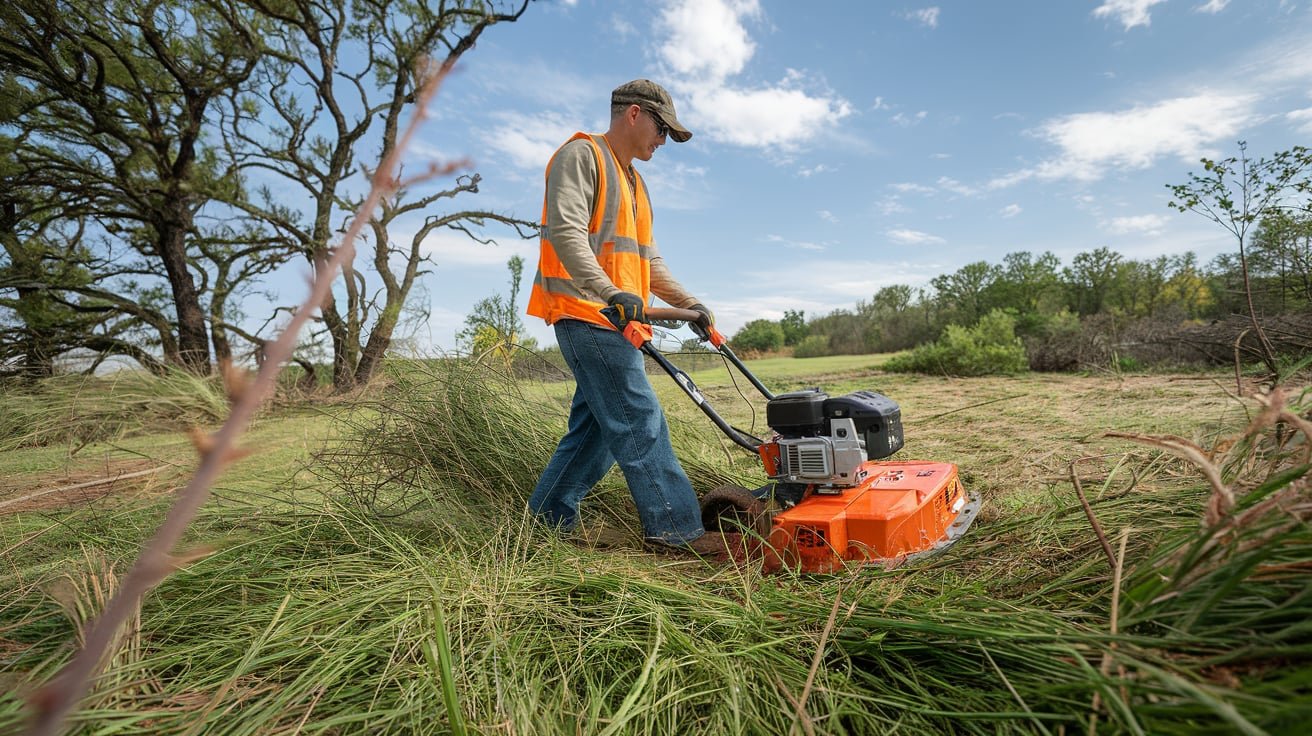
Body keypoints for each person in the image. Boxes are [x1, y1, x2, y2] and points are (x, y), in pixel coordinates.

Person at [525, 79, 736, 557]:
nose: (663, 141)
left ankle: (544, 521)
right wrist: (611, 292)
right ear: (635, 114)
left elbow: (649, 262)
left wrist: (692, 305)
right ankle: (676, 529)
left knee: (597, 433)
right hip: (587, 313)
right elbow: (565, 233)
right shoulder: (581, 157)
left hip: (617, 320)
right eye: (662, 130)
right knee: (639, 418)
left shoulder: (636, 183)